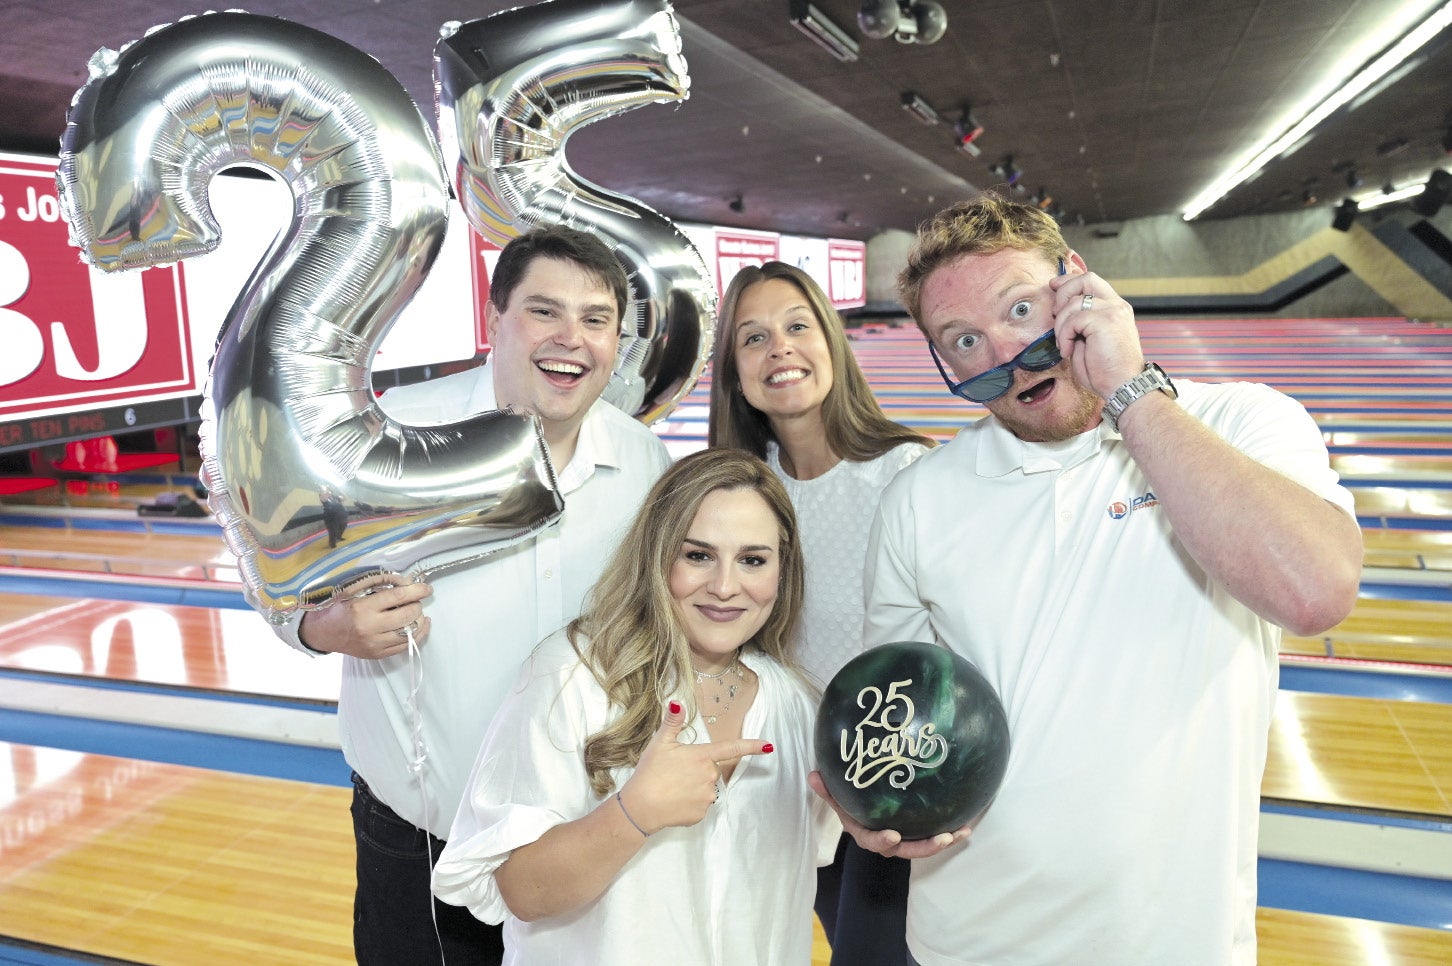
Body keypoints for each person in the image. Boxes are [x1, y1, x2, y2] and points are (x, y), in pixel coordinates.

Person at [814, 194, 1363, 966]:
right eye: (965, 338)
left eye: (1020, 307)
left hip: (1172, 945)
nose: (1003, 348)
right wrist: (874, 806)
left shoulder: (1242, 422)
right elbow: (900, 713)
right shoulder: (920, 499)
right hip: (962, 946)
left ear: (1077, 282)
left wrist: (1130, 392)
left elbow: (1315, 592)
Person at [262, 225, 672, 964]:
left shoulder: (643, 462)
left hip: (572, 839)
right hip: (417, 838)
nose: (571, 339)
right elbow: (272, 581)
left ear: (617, 339)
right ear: (494, 320)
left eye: (596, 319)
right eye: (544, 311)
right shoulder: (392, 431)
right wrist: (327, 627)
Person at [432, 448, 838, 963]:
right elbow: (523, 893)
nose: (725, 586)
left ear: (782, 572)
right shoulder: (571, 674)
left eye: (753, 560)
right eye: (698, 555)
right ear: (657, 555)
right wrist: (633, 813)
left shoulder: (798, 706)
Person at [708, 260, 932, 963]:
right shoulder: (741, 492)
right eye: (753, 337)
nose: (779, 348)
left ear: (832, 343)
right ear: (734, 373)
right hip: (794, 790)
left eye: (797, 326)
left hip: (895, 788)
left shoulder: (909, 474)